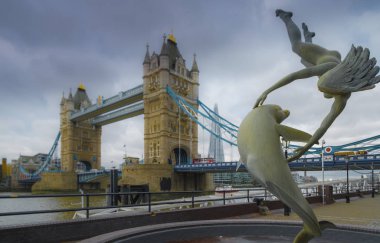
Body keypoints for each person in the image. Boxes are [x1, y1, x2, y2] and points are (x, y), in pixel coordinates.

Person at [254, 9, 380, 161]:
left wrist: (306, 148)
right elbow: (295, 76)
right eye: (324, 91)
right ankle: (287, 17)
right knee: (296, 47)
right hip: (326, 57)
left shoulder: (342, 97)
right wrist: (267, 91)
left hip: (328, 61)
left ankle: (308, 36)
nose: (324, 94)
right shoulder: (331, 74)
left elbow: (323, 126)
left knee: (305, 61)